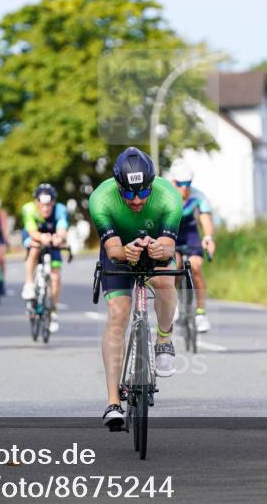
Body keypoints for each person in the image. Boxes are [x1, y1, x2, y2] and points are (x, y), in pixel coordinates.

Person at [88, 147, 182, 429]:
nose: (138, 200)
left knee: (164, 280)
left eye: (144, 192)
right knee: (118, 314)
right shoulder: (101, 199)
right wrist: (124, 251)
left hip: (155, 247)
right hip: (119, 251)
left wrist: (160, 248)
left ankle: (164, 339)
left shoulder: (169, 197)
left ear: (152, 184)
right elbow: (112, 249)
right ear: (119, 188)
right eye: (129, 194)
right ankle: (113, 402)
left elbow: (169, 247)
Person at [169, 162, 216, 332]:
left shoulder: (198, 196)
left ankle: (201, 314)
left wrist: (208, 237)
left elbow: (205, 219)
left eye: (188, 183)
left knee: (196, 266)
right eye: (180, 183)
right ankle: (172, 304)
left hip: (190, 233)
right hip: (172, 233)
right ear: (173, 182)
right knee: (174, 266)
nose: (184, 187)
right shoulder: (166, 195)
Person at [20, 183, 69, 333]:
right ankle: (29, 283)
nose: (46, 208)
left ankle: (52, 311)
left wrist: (59, 238)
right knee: (35, 247)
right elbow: (32, 231)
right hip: (34, 236)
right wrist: (42, 238)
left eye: (49, 205)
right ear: (36, 202)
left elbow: (62, 230)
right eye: (42, 205)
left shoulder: (61, 210)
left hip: (52, 238)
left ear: (53, 203)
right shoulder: (28, 209)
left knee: (55, 277)